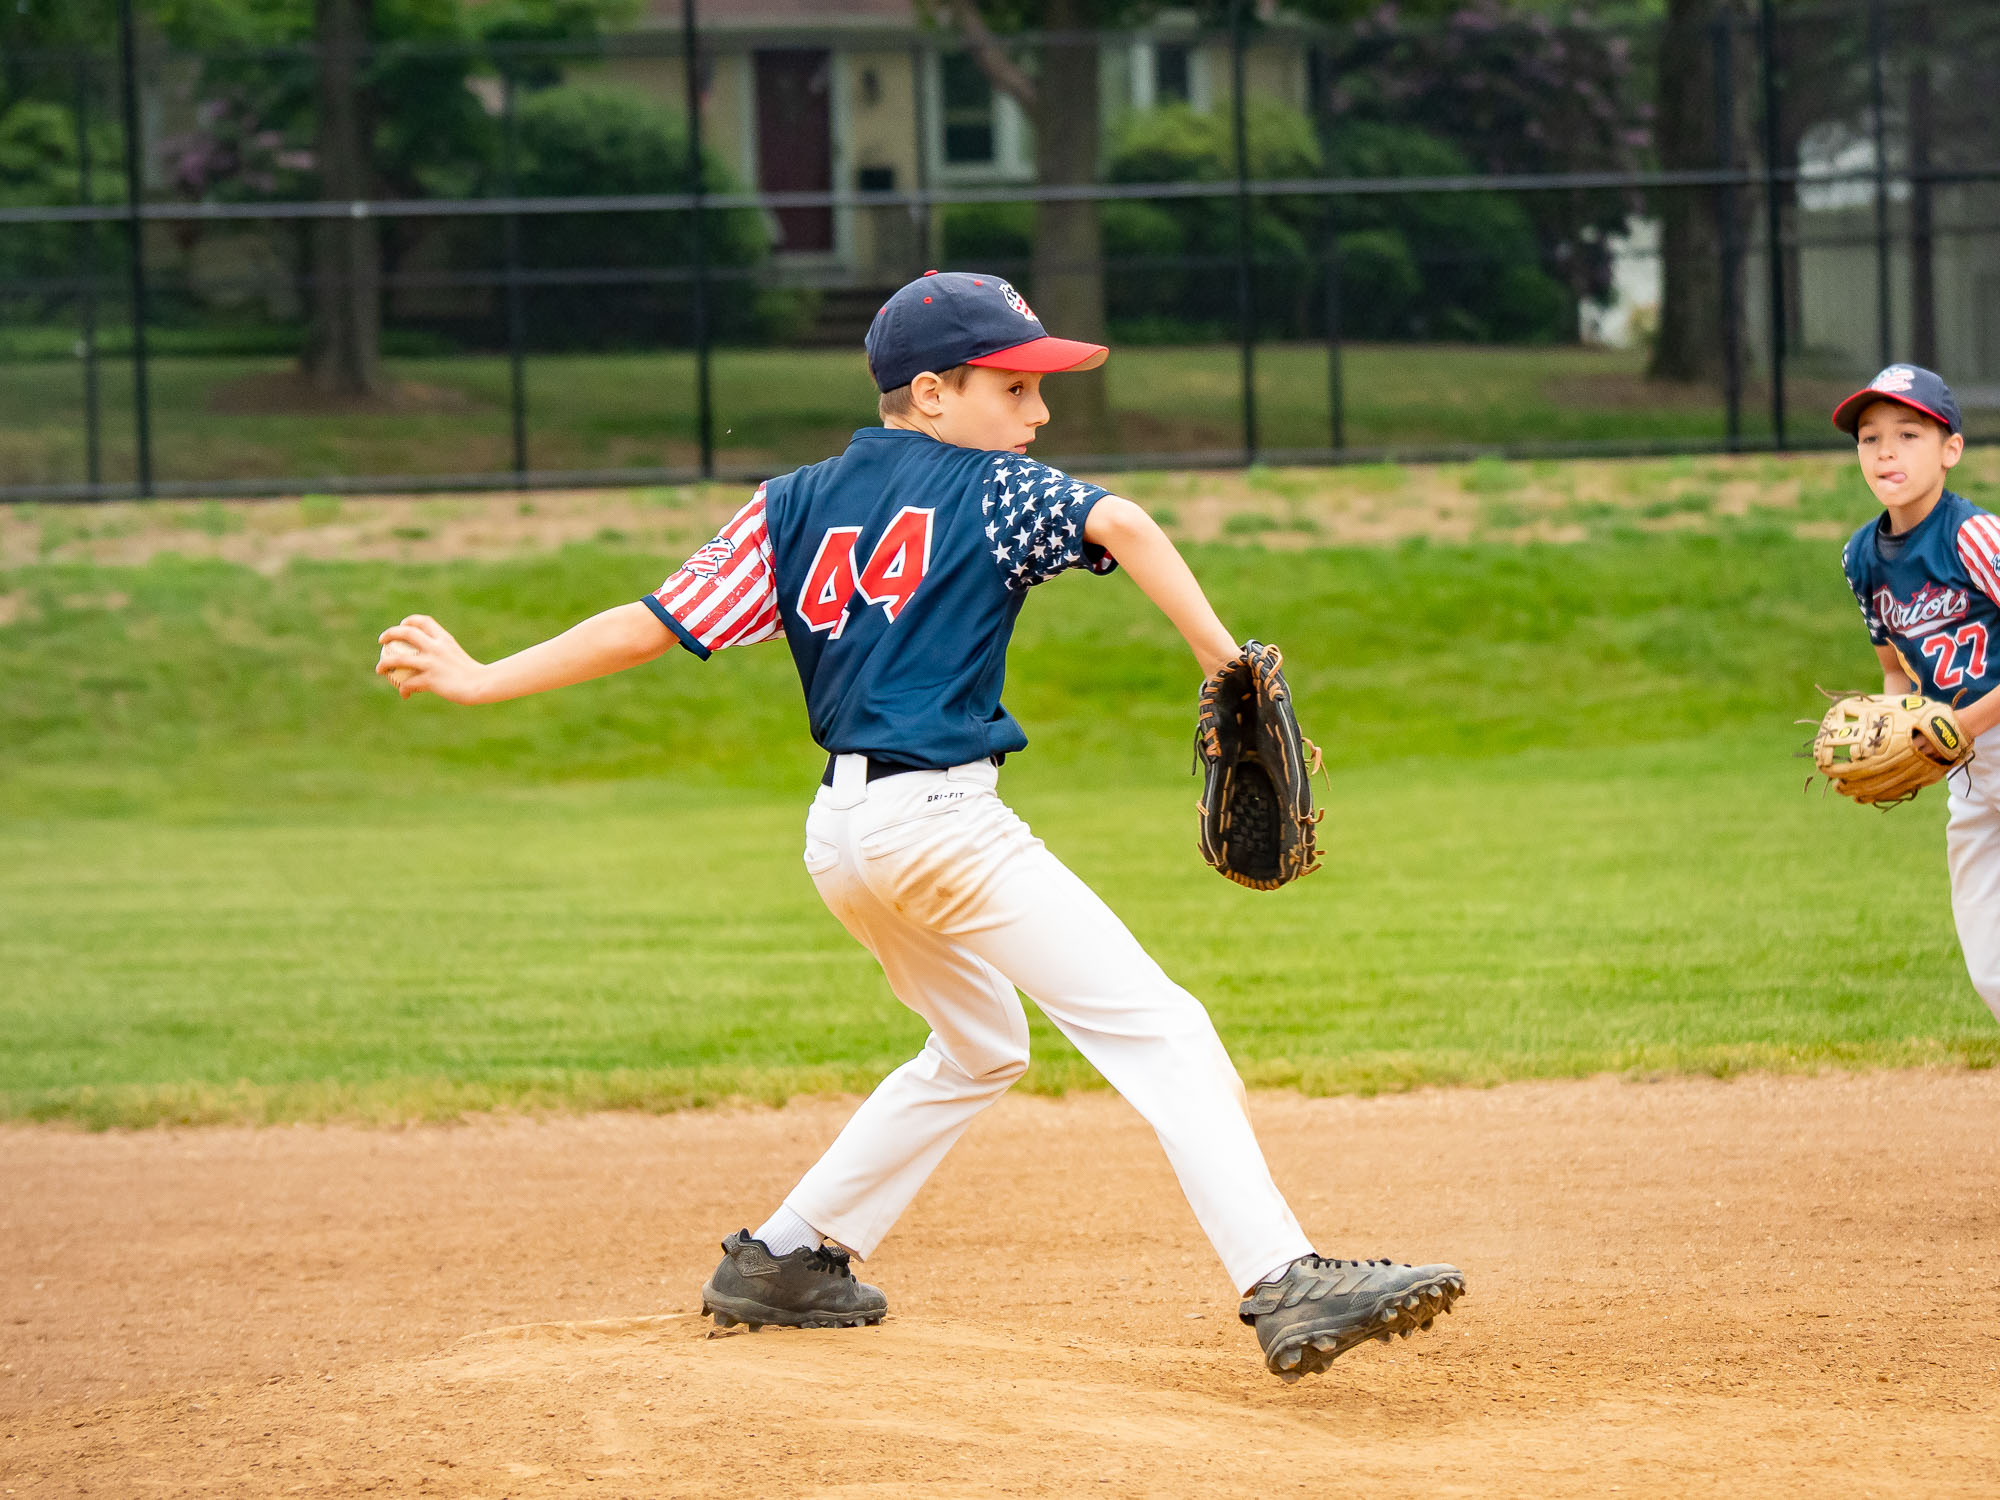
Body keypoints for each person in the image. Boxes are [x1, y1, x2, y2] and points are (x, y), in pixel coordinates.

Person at [376, 270, 1464, 1381]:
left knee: (979, 1044)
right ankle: (1281, 1278)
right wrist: (1221, 659)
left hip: (842, 838)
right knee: (1163, 1029)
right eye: (1014, 388)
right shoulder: (992, 488)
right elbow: (1124, 522)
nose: (1037, 416)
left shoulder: (788, 501)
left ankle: (788, 1256)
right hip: (944, 824)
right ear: (931, 392)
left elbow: (651, 625)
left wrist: (479, 678)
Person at [1832, 364, 2000, 1023]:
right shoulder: (1861, 556)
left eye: (1908, 433)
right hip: (1963, 767)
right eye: (1870, 438)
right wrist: (1895, 733)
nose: (1887, 452)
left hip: (1977, 731)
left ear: (1950, 449)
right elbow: (1896, 671)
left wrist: (1962, 723)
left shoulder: (1975, 536)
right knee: (1991, 964)